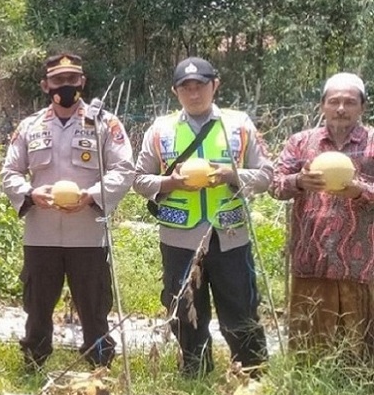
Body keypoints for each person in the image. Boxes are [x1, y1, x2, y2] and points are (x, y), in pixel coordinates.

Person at [134, 56, 270, 377]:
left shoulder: (239, 126)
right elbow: (139, 179)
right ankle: (195, 375)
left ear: (215, 86)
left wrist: (231, 175)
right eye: (186, 88)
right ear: (175, 91)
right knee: (185, 311)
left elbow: (267, 174)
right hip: (179, 238)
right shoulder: (160, 130)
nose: (194, 94)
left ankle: (253, 375)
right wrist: (171, 183)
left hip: (229, 236)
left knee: (240, 309)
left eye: (201, 86)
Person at [0, 53, 134, 369]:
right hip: (41, 234)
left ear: (82, 82)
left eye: (72, 79)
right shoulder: (29, 127)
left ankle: (99, 368)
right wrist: (30, 194)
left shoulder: (105, 123)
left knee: (94, 306)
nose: (65, 86)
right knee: (37, 307)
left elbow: (124, 169)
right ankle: (33, 363)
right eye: (58, 80)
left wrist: (92, 195)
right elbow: (9, 172)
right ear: (45, 84)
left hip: (87, 233)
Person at [270, 72, 374, 359]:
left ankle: (360, 389)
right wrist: (298, 182)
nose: (341, 108)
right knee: (309, 346)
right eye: (335, 101)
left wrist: (359, 191)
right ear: (322, 106)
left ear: (362, 108)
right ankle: (308, 386)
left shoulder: (372, 142)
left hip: (362, 264)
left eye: (350, 102)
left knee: (362, 345)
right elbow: (275, 184)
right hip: (311, 258)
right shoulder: (301, 143)